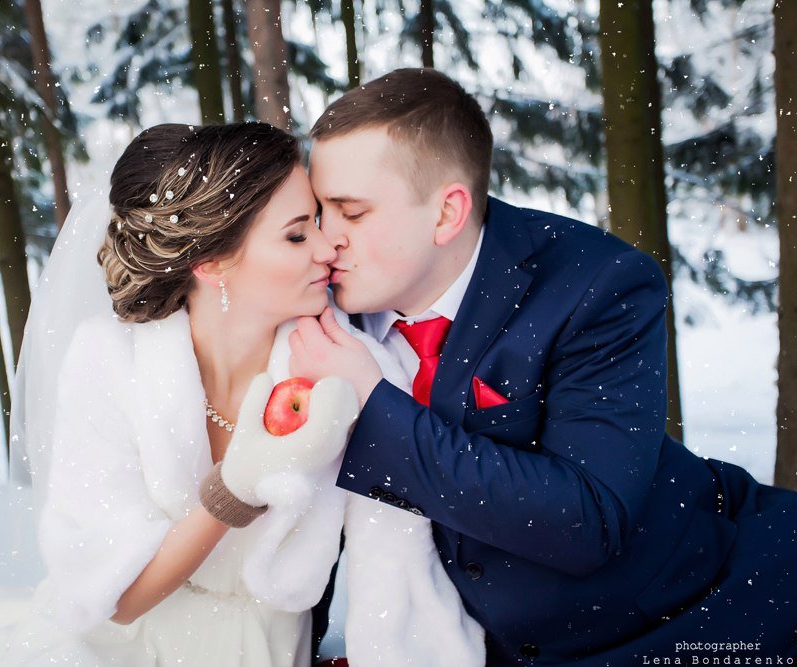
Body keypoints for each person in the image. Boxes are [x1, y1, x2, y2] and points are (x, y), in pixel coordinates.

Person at [292, 68, 797, 664]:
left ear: (447, 214)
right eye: (318, 211)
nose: (325, 240)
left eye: (351, 213)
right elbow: (298, 500)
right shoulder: (314, 300)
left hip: (689, 614)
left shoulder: (597, 284)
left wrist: (374, 404)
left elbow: (587, 520)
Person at [6, 121, 484, 666]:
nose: (328, 248)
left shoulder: (353, 371)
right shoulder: (107, 361)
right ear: (210, 263)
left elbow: (397, 579)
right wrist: (234, 489)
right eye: (297, 235)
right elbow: (112, 597)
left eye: (317, 223)